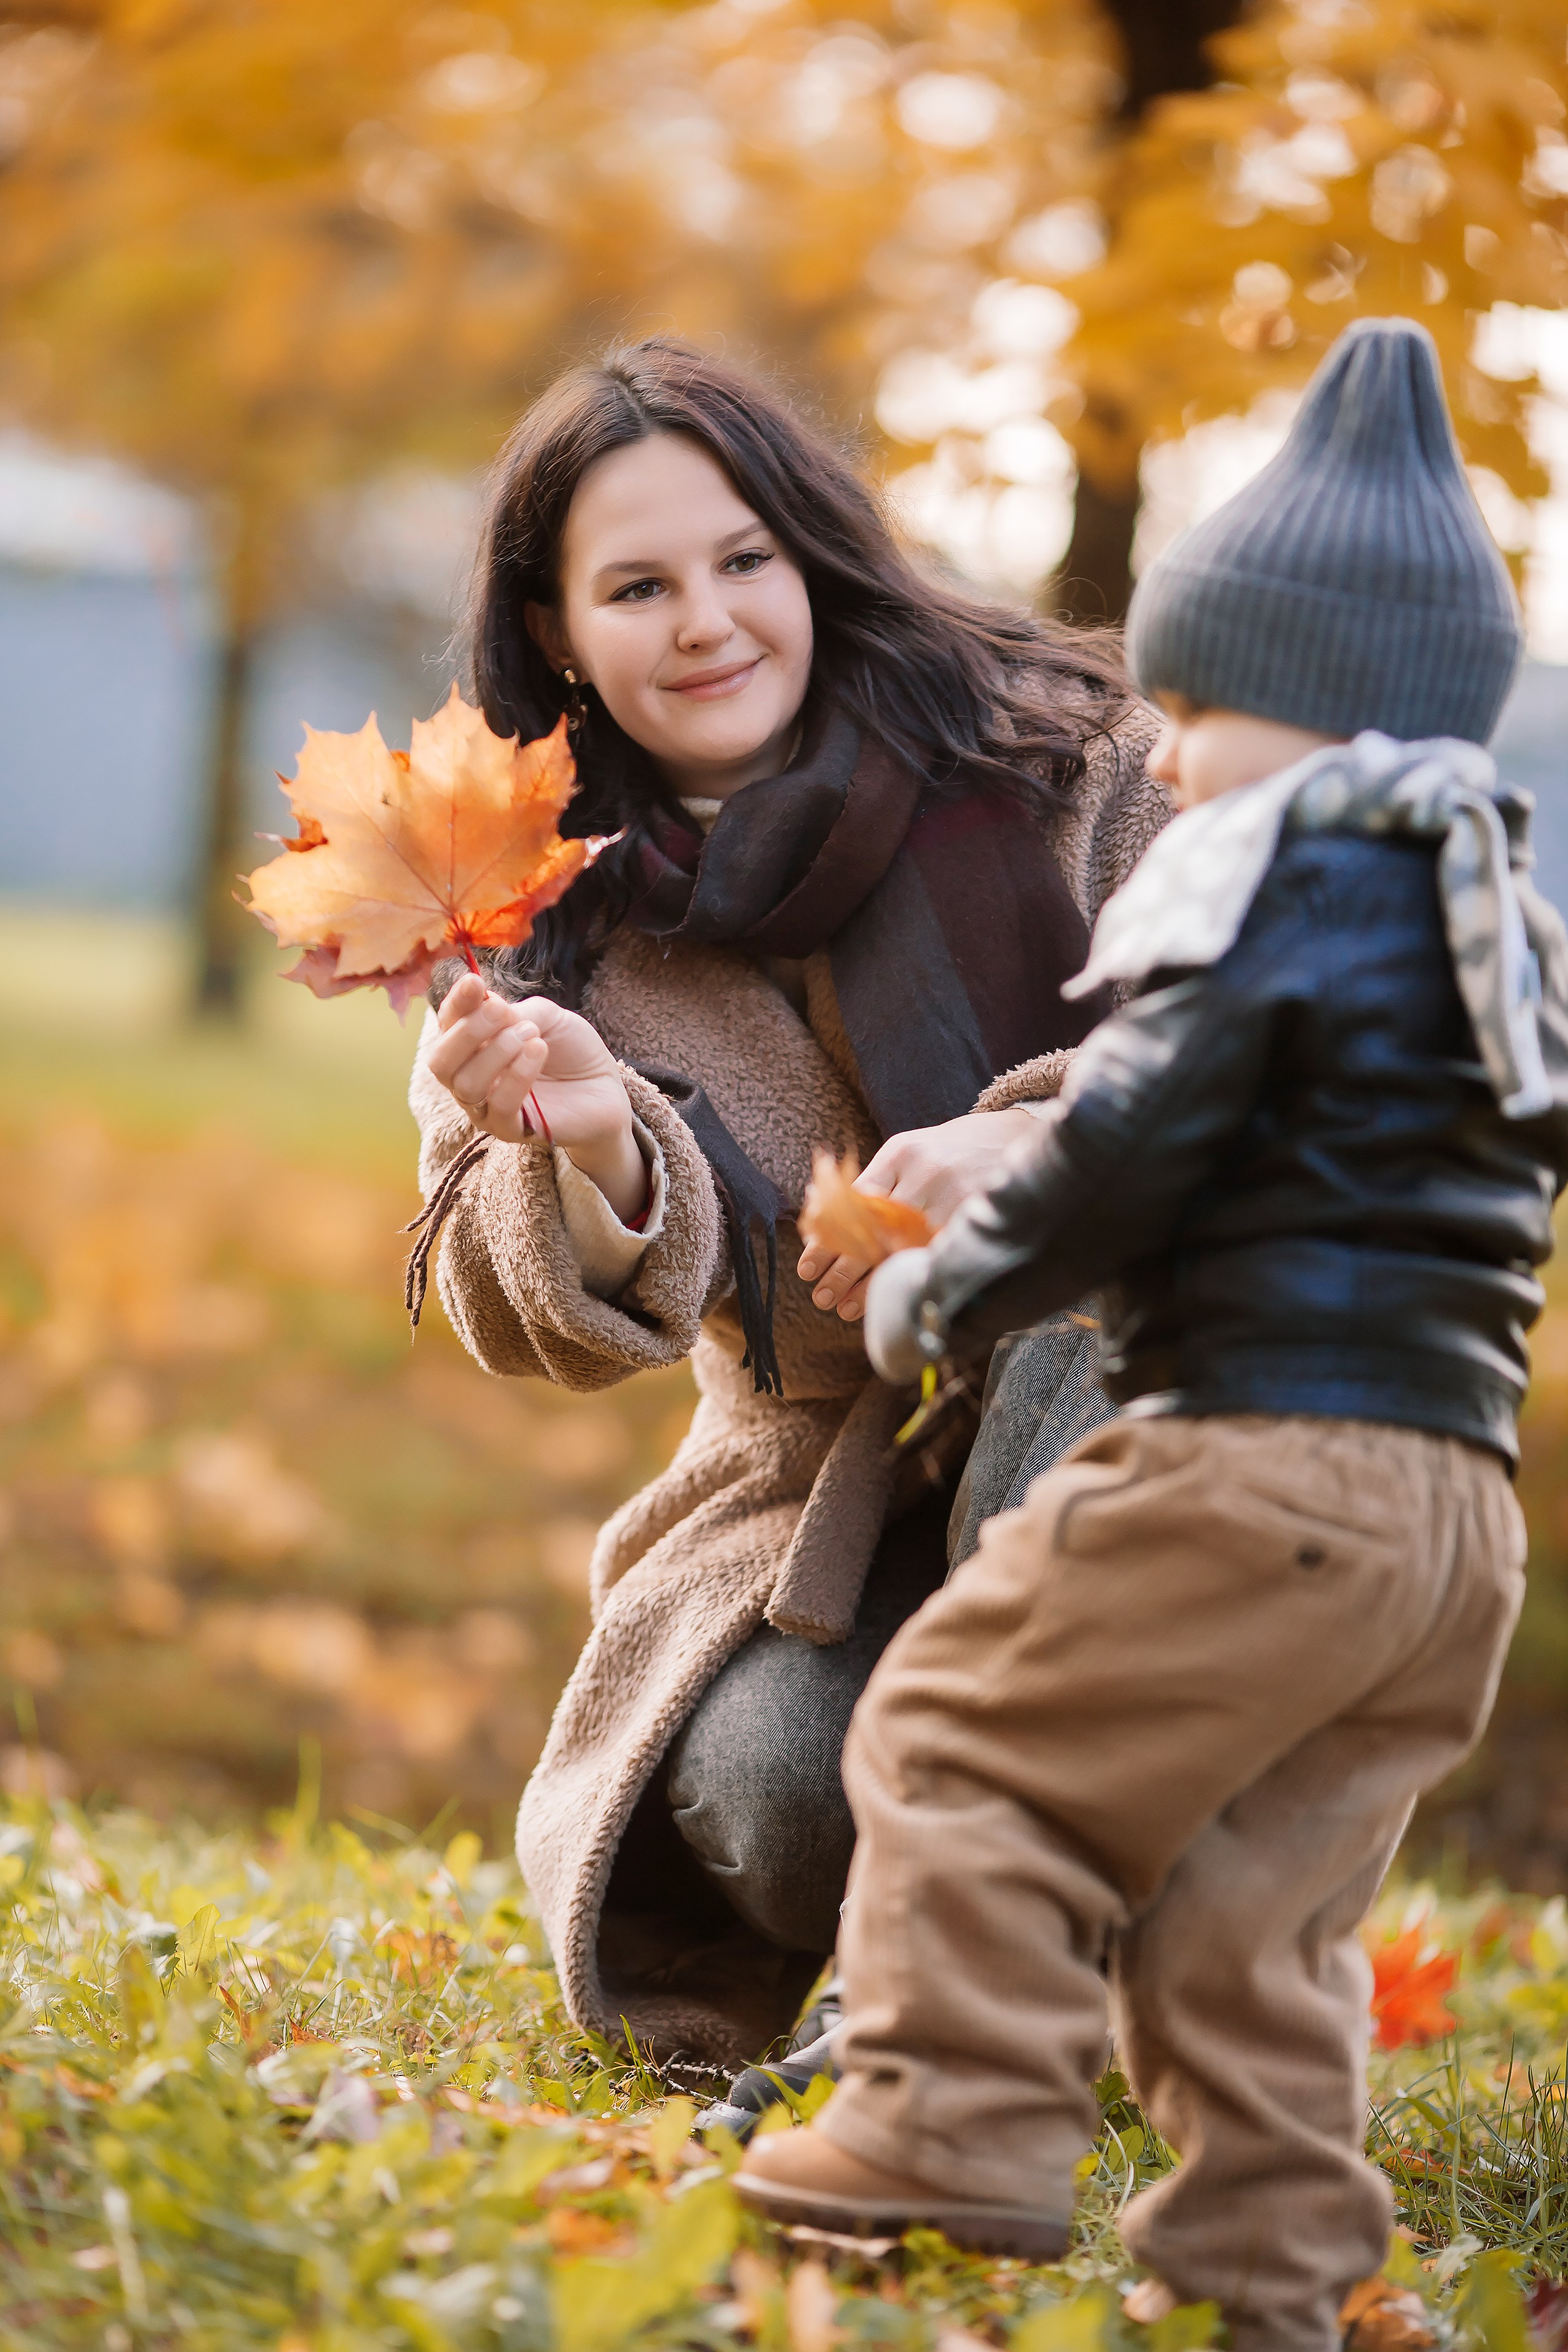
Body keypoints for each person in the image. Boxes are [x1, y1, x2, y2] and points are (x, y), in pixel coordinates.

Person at [736, 318, 1568, 2350]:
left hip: (1263, 1454)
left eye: (1194, 706)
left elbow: (1128, 1145)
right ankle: (1264, 2267)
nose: (1169, 752)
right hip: (1452, 1517)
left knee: (961, 1735)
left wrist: (955, 1279)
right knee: (1245, 1905)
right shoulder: (1484, 916)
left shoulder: (1274, 892)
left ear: (1313, 707)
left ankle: (946, 2126)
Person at [408, 337, 1167, 2075]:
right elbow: (493, 1290)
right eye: (639, 585)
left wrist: (1044, 1145)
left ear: (809, 549)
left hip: (1149, 1424)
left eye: (744, 559)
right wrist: (592, 1141)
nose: (707, 622)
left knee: (1077, 1296)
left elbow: (1278, 1025)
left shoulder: (1076, 750)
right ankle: (1043, 1931)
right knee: (772, 1793)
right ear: (555, 632)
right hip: (835, 1497)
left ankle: (945, 2012)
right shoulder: (527, 916)